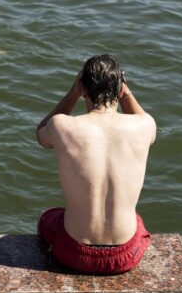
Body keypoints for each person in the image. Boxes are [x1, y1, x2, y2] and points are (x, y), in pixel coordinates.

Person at [35, 55, 156, 274]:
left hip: (74, 254)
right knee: (135, 219)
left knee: (48, 217)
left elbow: (40, 134)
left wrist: (72, 93)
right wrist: (125, 91)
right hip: (125, 255)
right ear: (120, 88)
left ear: (82, 88)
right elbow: (144, 120)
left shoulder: (60, 125)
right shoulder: (145, 125)